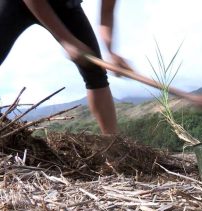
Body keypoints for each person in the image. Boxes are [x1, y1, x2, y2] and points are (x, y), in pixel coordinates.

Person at [0, 0, 131, 134]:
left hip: (66, 6)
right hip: (16, 3)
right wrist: (66, 39)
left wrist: (111, 52)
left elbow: (107, 12)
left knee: (95, 71)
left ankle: (112, 143)